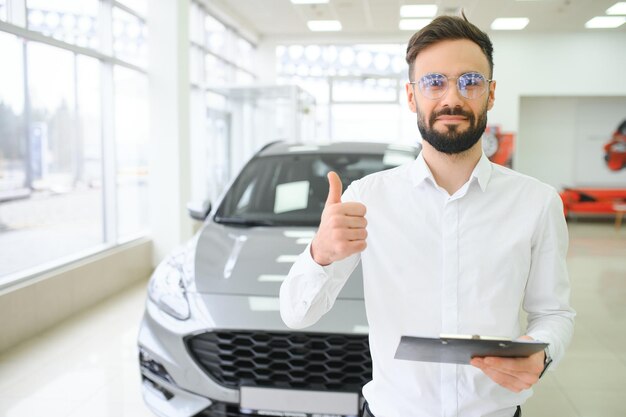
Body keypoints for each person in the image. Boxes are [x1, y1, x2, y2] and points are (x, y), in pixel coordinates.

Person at [279, 13, 575, 417]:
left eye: (469, 81)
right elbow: (298, 313)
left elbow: (553, 313)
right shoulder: (368, 198)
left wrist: (541, 356)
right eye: (434, 82)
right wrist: (319, 253)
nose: (451, 98)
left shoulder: (536, 202)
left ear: (489, 95)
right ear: (411, 95)